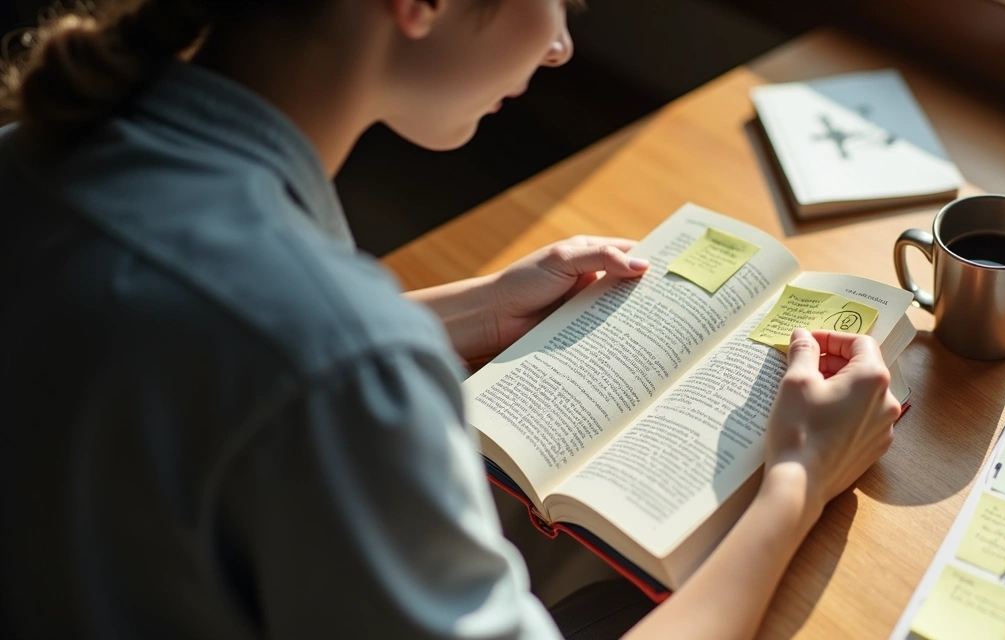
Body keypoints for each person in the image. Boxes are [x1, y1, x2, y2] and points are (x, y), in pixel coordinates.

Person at [0, 1, 903, 638]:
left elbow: (205, 342)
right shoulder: (335, 356)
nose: (557, 47)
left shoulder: (39, 151)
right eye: (562, 1)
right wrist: (798, 473)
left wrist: (478, 308)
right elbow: (296, 359)